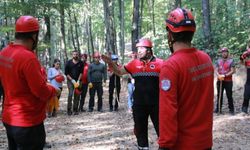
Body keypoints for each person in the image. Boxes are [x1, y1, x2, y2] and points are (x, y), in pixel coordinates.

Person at [0, 15, 59, 150]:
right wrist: (54, 90)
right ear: (34, 36)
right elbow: (41, 91)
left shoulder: (4, 53)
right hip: (28, 122)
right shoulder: (28, 58)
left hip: (9, 119)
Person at [158, 8, 214, 150]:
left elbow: (168, 111)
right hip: (205, 142)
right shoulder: (206, 59)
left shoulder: (170, 66)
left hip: (183, 145)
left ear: (170, 34)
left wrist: (165, 145)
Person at [102, 38, 163, 149]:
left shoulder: (161, 64)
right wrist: (111, 63)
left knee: (162, 132)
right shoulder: (134, 64)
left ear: (149, 50)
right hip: (139, 105)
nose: (138, 51)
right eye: (137, 49)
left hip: (157, 105)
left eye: (141, 49)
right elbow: (120, 72)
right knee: (140, 132)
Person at [215, 47, 236, 115]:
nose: (224, 53)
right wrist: (218, 75)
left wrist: (225, 75)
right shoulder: (218, 61)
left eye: (225, 52)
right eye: (223, 52)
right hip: (220, 80)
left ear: (227, 53)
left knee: (229, 95)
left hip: (228, 81)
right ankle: (218, 109)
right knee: (219, 95)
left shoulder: (231, 61)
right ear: (221, 53)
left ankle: (231, 109)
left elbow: (233, 71)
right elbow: (216, 69)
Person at [65, 50, 84, 115]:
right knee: (70, 94)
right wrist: (72, 80)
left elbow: (81, 72)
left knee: (77, 95)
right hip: (70, 81)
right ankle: (69, 109)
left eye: (76, 54)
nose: (75, 55)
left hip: (78, 81)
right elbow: (66, 73)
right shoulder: (68, 63)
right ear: (72, 55)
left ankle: (75, 109)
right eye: (74, 54)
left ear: (78, 55)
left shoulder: (81, 63)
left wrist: (78, 80)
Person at [240, 48, 250, 114]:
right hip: (249, 81)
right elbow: (241, 62)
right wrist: (243, 58)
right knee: (246, 94)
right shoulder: (246, 56)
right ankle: (244, 109)